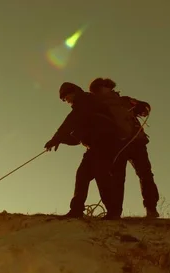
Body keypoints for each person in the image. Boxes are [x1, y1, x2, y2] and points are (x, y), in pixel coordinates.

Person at [44, 82, 123, 220]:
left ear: (72, 92)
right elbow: (76, 139)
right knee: (82, 175)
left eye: (65, 97)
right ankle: (76, 210)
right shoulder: (84, 107)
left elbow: (69, 123)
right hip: (95, 146)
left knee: (101, 175)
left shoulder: (85, 101)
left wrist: (55, 139)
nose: (66, 101)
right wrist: (60, 140)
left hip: (105, 143)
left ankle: (113, 212)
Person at [88, 77, 160, 218]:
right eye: (105, 87)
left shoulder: (125, 100)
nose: (109, 89)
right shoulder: (96, 104)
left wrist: (143, 107)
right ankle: (115, 212)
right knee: (118, 177)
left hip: (136, 141)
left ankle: (151, 208)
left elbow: (144, 107)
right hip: (116, 143)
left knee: (144, 174)